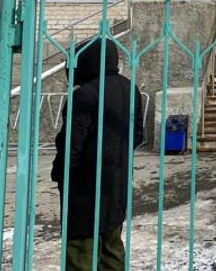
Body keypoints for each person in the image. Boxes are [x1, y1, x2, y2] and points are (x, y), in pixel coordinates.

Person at [51, 39, 143, 271]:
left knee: (80, 253)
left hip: (85, 186)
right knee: (112, 248)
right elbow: (137, 135)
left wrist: (61, 174)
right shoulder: (130, 88)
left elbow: (72, 144)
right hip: (117, 181)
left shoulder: (85, 95)